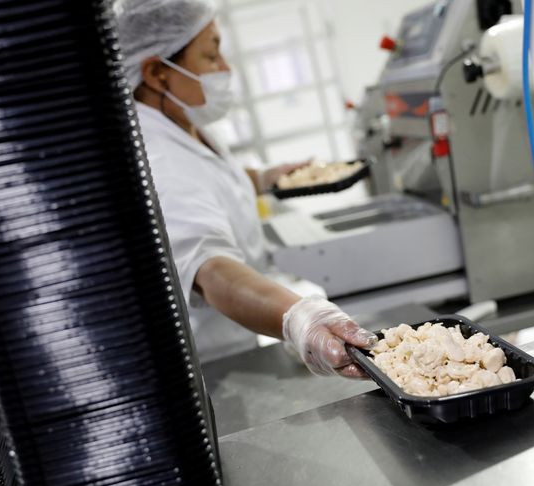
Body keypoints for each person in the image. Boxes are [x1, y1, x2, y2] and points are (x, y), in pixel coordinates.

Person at [114, 0, 375, 378]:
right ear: (157, 72)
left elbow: (213, 179)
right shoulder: (159, 159)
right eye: (211, 54)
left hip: (239, 342)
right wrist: (300, 315)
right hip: (217, 365)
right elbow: (213, 269)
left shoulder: (184, 123)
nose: (225, 68)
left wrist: (266, 178)